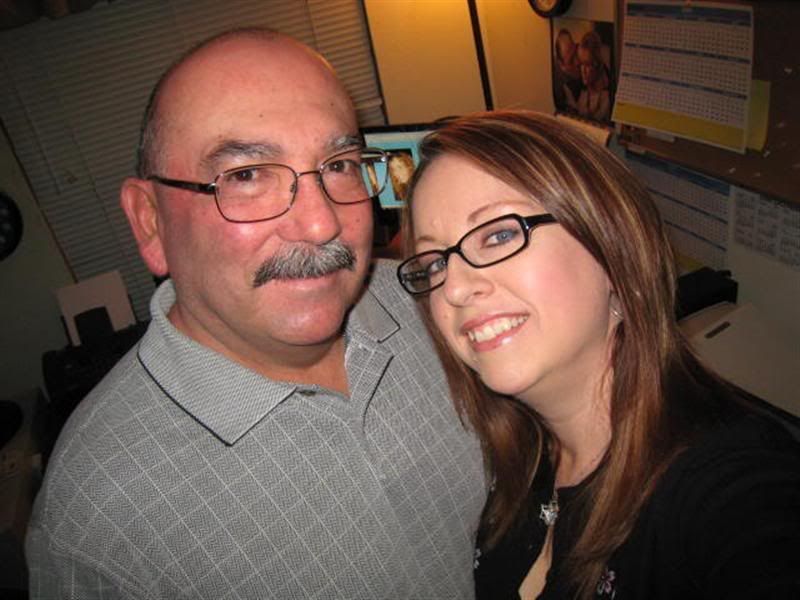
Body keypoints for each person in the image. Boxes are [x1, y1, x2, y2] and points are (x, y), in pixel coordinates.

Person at [25, 29, 487, 599]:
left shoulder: (439, 301)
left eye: (340, 164)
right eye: (246, 176)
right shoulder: (94, 523)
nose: (321, 224)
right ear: (150, 221)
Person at [396, 110, 800, 599]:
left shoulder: (730, 482)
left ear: (610, 248)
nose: (455, 288)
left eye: (499, 235)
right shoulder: (518, 456)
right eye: (434, 263)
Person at [565, 31, 611, 122]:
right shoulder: (575, 90)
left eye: (587, 64)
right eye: (581, 64)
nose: (583, 70)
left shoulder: (609, 95)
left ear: (597, 65)